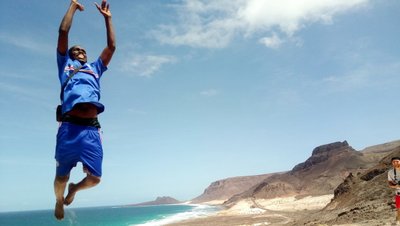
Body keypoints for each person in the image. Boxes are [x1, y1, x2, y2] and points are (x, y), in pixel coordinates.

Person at [54, 0, 115, 220]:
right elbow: (63, 31)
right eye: (76, 50)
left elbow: (111, 48)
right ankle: (59, 200)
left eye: (83, 50)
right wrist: (73, 6)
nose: (80, 51)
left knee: (95, 179)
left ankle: (74, 189)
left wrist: (108, 19)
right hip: (69, 126)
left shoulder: (95, 68)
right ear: (70, 55)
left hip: (91, 128)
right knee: (60, 177)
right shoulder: (65, 66)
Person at [388, 157, 400, 225]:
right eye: (394, 162)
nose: (395, 163)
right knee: (399, 208)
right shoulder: (391, 172)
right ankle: (398, 220)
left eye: (397, 161)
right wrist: (397, 186)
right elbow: (390, 184)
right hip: (398, 193)